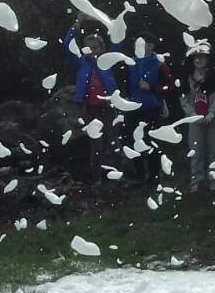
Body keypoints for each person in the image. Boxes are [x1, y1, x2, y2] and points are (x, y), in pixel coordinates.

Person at [63, 23, 119, 180]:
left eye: (95, 48)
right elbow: (68, 46)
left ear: (101, 49)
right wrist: (76, 26)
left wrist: (111, 23)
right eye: (88, 48)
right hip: (90, 108)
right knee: (96, 143)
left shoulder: (107, 61)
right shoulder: (81, 63)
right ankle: (97, 178)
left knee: (113, 140)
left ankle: (115, 175)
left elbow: (117, 43)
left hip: (108, 106)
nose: (92, 52)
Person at [179, 43, 215, 193]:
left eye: (202, 57)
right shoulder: (188, 80)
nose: (199, 60)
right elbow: (184, 99)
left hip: (214, 120)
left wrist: (211, 115)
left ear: (209, 59)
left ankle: (214, 181)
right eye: (196, 57)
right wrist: (193, 116)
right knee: (196, 151)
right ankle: (196, 181)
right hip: (194, 122)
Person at [127, 31, 173, 184]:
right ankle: (139, 176)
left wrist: (152, 88)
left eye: (142, 42)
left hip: (152, 108)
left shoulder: (159, 64)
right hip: (133, 108)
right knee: (133, 143)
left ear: (151, 45)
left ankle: (153, 178)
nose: (137, 45)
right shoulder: (130, 62)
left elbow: (170, 87)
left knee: (151, 143)